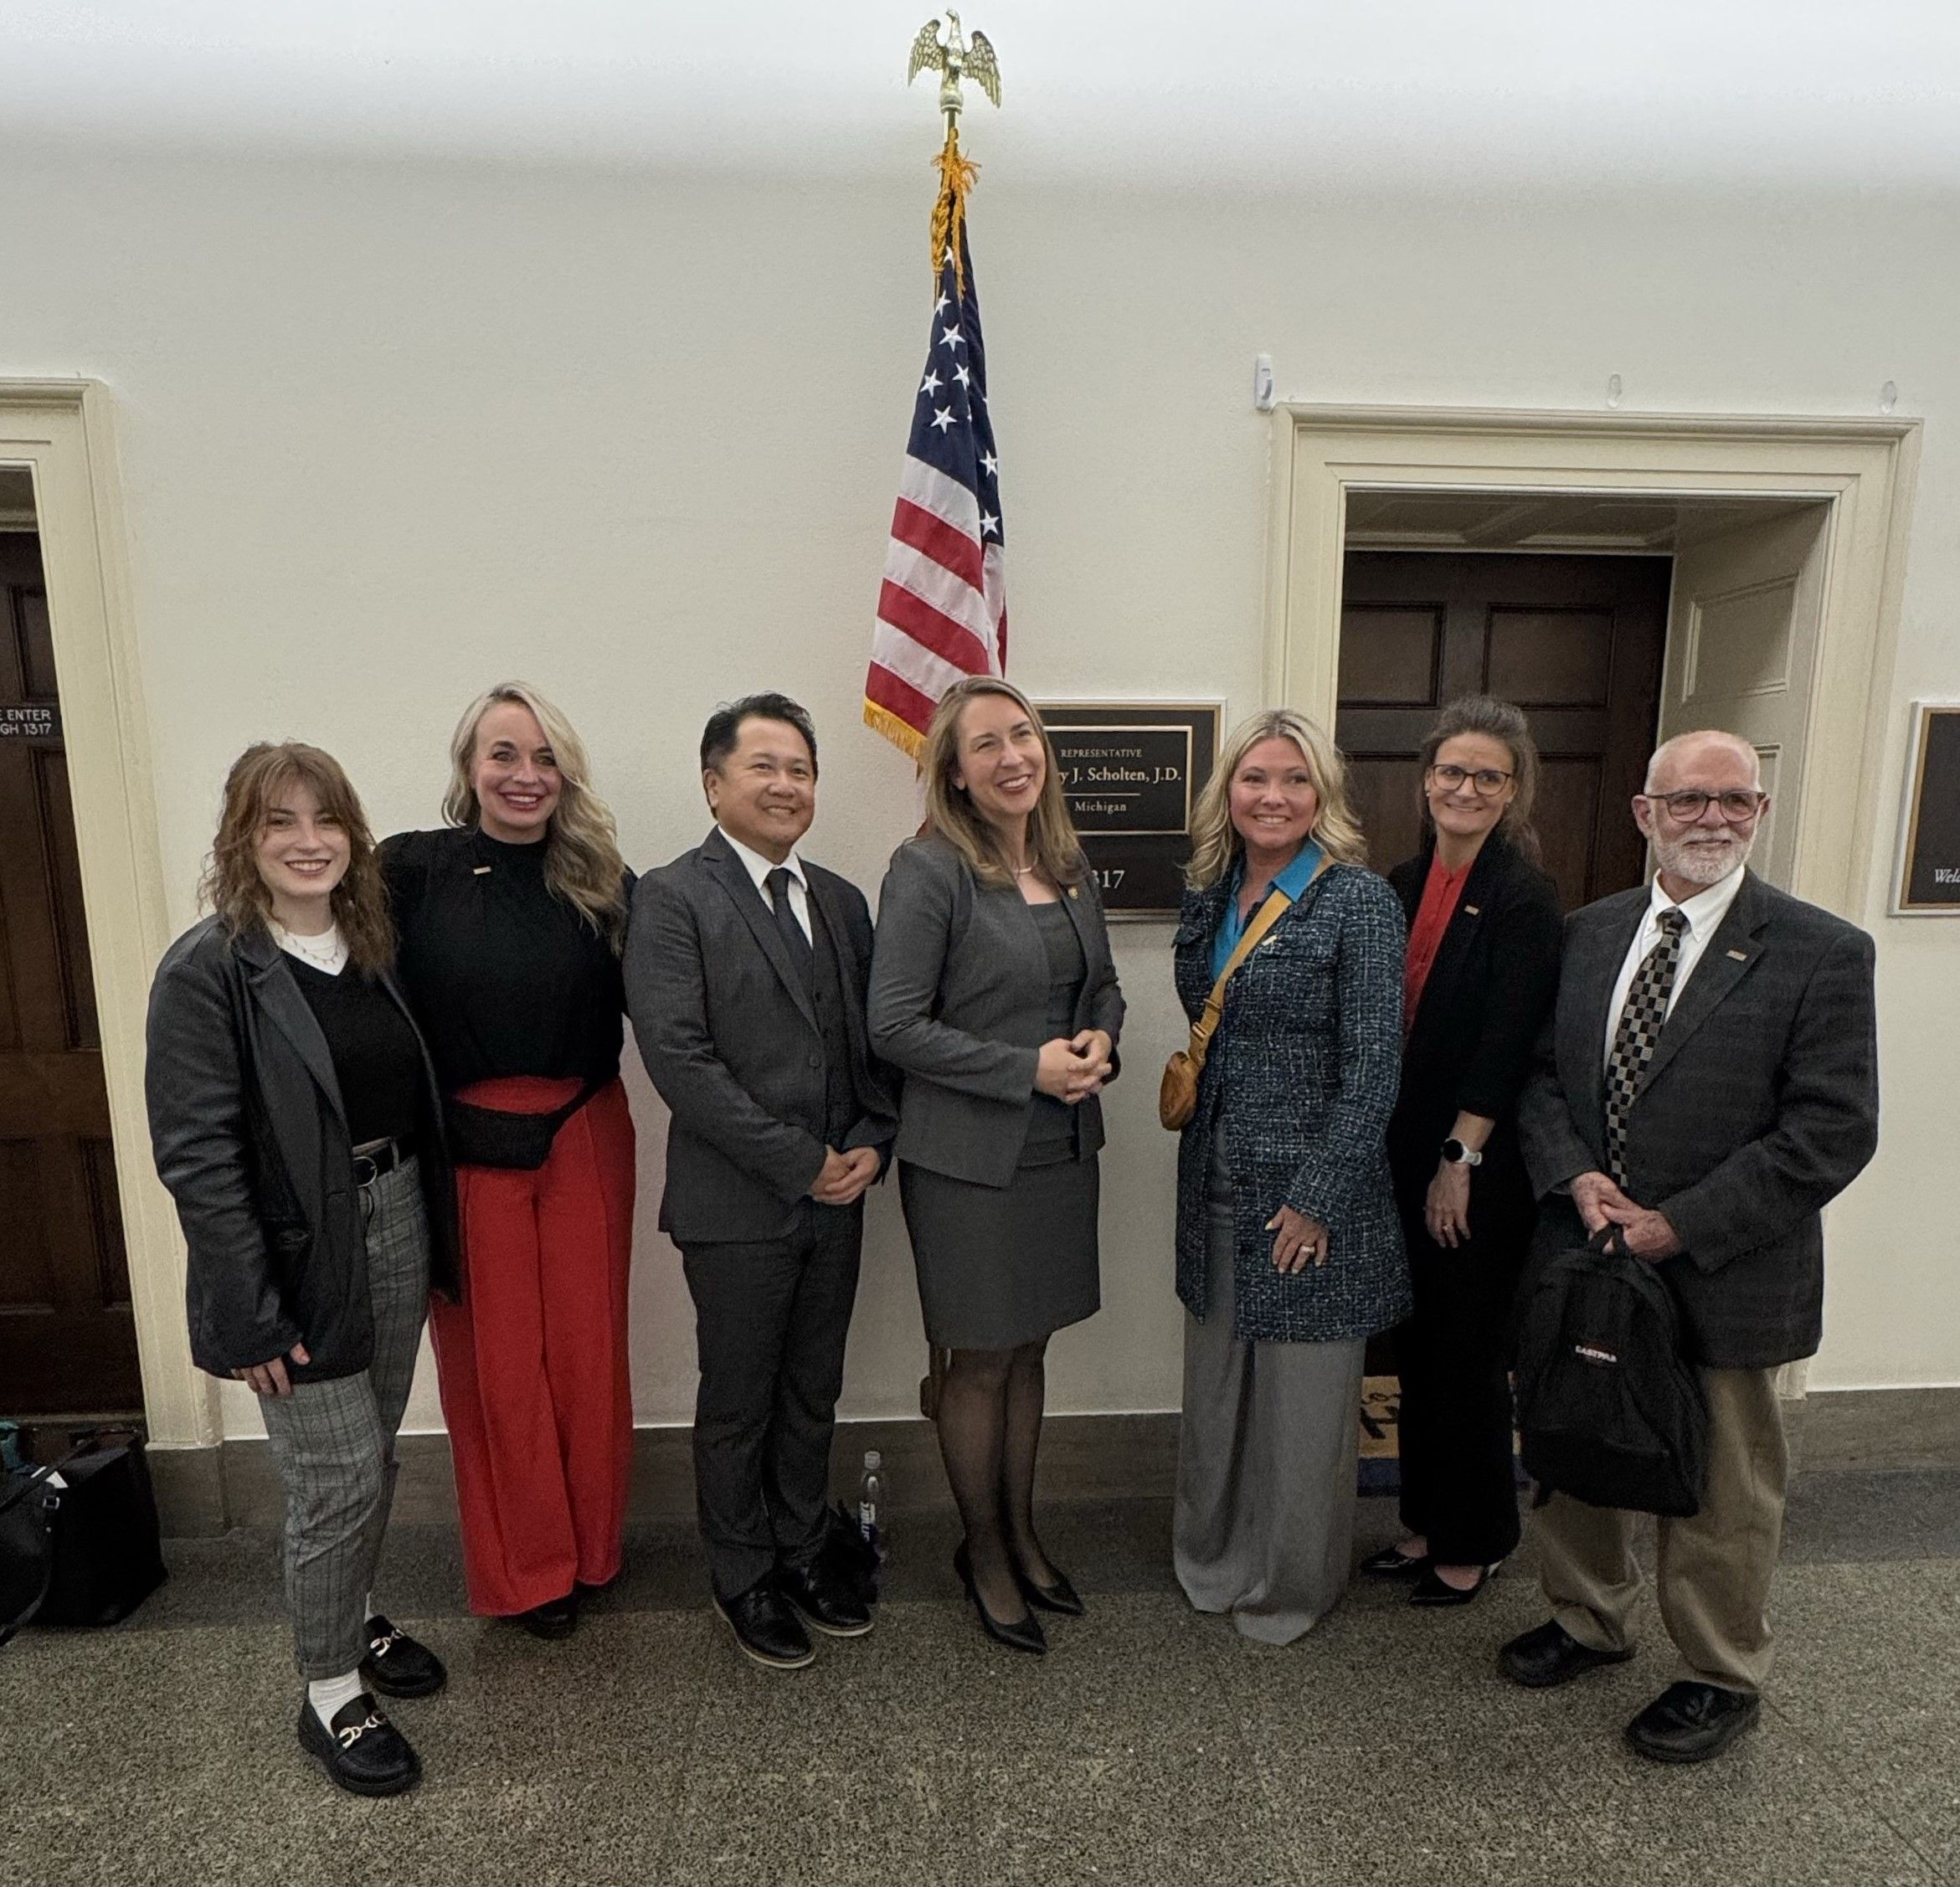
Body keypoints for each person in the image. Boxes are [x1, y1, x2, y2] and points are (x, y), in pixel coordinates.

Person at [1500, 728, 1879, 1763]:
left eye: (1733, 799)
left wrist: (1682, 1224)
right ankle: (1586, 1615)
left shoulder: (1821, 950)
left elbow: (1832, 1128)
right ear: (1645, 813)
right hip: (1589, 1247)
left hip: (1729, 1266)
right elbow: (1540, 1077)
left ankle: (1718, 1670)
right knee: (1577, 1437)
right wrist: (1574, 1178)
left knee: (1725, 1482)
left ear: (1759, 811)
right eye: (1687, 800)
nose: (1711, 818)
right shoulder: (1586, 934)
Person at [146, 743, 457, 1797]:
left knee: (376, 1448)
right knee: (338, 1476)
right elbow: (198, 1157)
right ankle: (329, 1693)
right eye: (279, 821)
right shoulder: (207, 970)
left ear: (352, 835)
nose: (308, 840)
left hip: (394, 1211)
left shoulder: (368, 943)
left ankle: (354, 1614)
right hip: (291, 1251)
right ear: (242, 839)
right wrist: (249, 1313)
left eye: (325, 819)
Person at [626, 693, 898, 1671]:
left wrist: (871, 1141)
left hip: (841, 1196)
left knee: (812, 1389)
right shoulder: (671, 897)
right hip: (736, 1204)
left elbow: (874, 1045)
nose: (787, 785)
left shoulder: (842, 901)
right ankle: (741, 1574)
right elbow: (681, 1062)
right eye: (764, 767)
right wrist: (800, 1161)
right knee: (740, 1400)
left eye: (801, 770)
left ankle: (801, 1548)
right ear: (713, 784)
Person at [868, 676, 1123, 1657]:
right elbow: (893, 1024)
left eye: (1023, 735)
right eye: (986, 744)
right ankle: (980, 1551)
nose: (1012, 756)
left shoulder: (1067, 860)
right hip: (968, 1161)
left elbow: (1102, 986)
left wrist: (1100, 1041)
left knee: (1029, 1348)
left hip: (1060, 1148)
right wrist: (1027, 1069)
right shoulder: (928, 868)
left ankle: (1021, 1532)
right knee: (978, 1358)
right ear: (955, 773)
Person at [381, 682, 635, 1639]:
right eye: (503, 754)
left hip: (585, 1132)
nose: (525, 775)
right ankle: (527, 1570)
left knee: (586, 1356)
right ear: (468, 765)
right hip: (466, 1148)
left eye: (544, 757)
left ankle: (592, 1549)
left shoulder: (604, 881)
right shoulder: (410, 870)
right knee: (497, 1370)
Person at [1170, 708, 1408, 1644]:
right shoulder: (1209, 892)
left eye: (1295, 779)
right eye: (1255, 778)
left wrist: (1316, 1198)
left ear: (1323, 796)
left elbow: (1374, 1069)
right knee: (1218, 1392)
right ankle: (1214, 1559)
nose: (1273, 796)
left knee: (1303, 1411)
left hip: (1311, 1194)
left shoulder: (1358, 901)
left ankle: (1288, 1586)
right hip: (1214, 1182)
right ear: (1226, 792)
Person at [1369, 697, 1562, 1606]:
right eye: (1453, 771)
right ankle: (1422, 1518)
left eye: (1489, 776)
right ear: (1426, 780)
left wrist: (1459, 1160)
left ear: (1512, 791)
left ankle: (1475, 1536)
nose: (1467, 789)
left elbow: (1506, 1042)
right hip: (1403, 1148)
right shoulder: (1403, 881)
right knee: (1414, 1346)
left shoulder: (1524, 897)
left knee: (1466, 1352)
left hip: (1472, 1163)